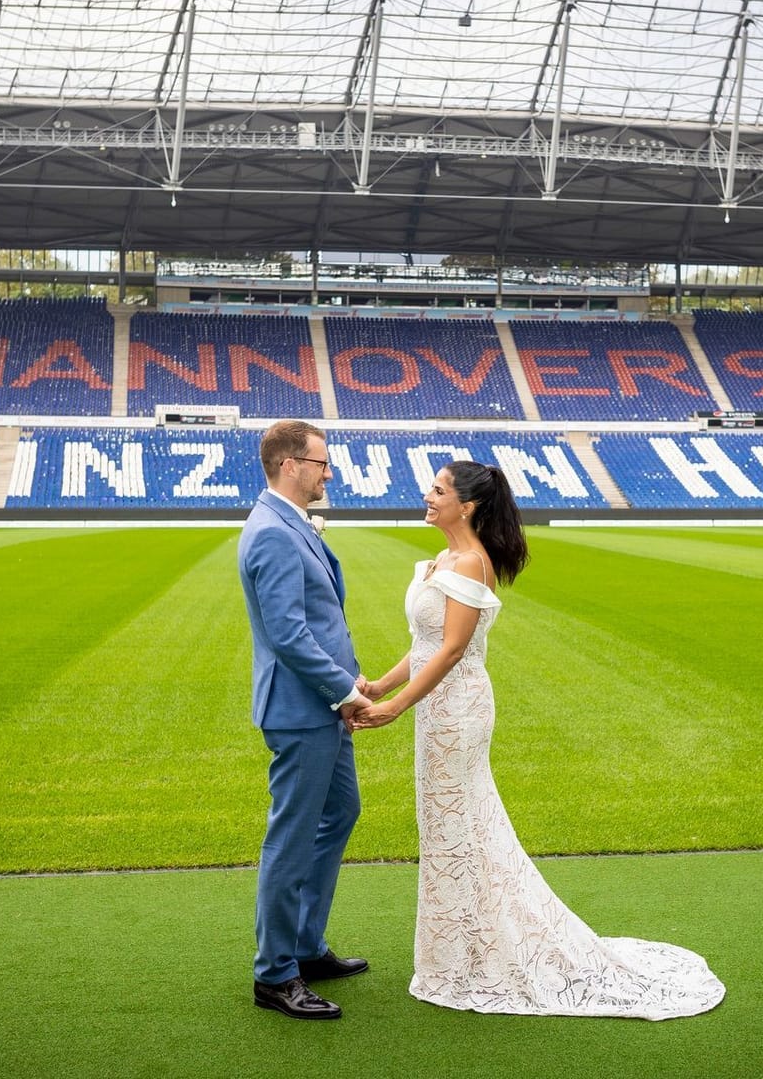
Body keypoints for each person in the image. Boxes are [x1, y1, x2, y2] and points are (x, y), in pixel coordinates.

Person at [350, 460, 726, 1019]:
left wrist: (395, 706)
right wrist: (382, 682)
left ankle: (477, 952)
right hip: (437, 708)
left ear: (467, 506)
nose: (427, 496)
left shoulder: (473, 564)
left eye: (438, 490)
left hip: (456, 710)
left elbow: (453, 650)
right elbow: (427, 643)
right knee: (451, 827)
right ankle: (462, 949)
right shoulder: (444, 561)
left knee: (462, 826)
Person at [239, 420, 372, 1021]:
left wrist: (349, 681)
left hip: (320, 703)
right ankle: (275, 973)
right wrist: (345, 691)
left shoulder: (290, 523)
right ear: (292, 464)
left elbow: (320, 620)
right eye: (322, 463)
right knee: (290, 839)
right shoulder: (272, 532)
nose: (328, 472)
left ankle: (304, 945)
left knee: (341, 811)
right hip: (301, 709)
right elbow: (289, 634)